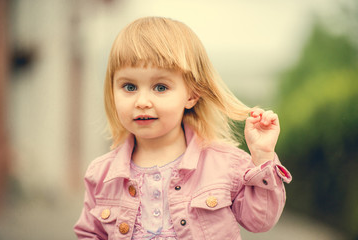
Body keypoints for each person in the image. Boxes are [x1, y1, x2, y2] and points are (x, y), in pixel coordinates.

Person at [74, 16, 292, 240]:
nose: (142, 101)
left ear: (191, 94)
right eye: (129, 86)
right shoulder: (101, 174)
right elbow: (89, 234)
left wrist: (263, 155)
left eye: (160, 87)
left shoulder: (226, 164)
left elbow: (261, 221)